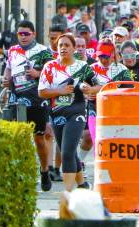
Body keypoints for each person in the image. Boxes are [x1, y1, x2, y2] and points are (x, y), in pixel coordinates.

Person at [38, 33, 100, 191]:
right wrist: (60, 91)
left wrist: (90, 89)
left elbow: (99, 86)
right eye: (60, 46)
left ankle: (68, 195)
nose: (63, 48)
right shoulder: (49, 67)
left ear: (73, 49)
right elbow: (42, 92)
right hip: (57, 114)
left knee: (66, 153)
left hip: (76, 112)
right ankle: (82, 185)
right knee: (70, 153)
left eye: (67, 45)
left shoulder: (82, 67)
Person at [3, 20, 55, 191]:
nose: (23, 37)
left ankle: (45, 170)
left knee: (39, 139)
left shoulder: (43, 51)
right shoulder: (12, 50)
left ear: (34, 34)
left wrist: (37, 73)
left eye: (26, 34)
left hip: (37, 100)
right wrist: (6, 78)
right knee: (18, 138)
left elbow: (52, 74)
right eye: (20, 34)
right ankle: (20, 175)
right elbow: (8, 68)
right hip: (16, 99)